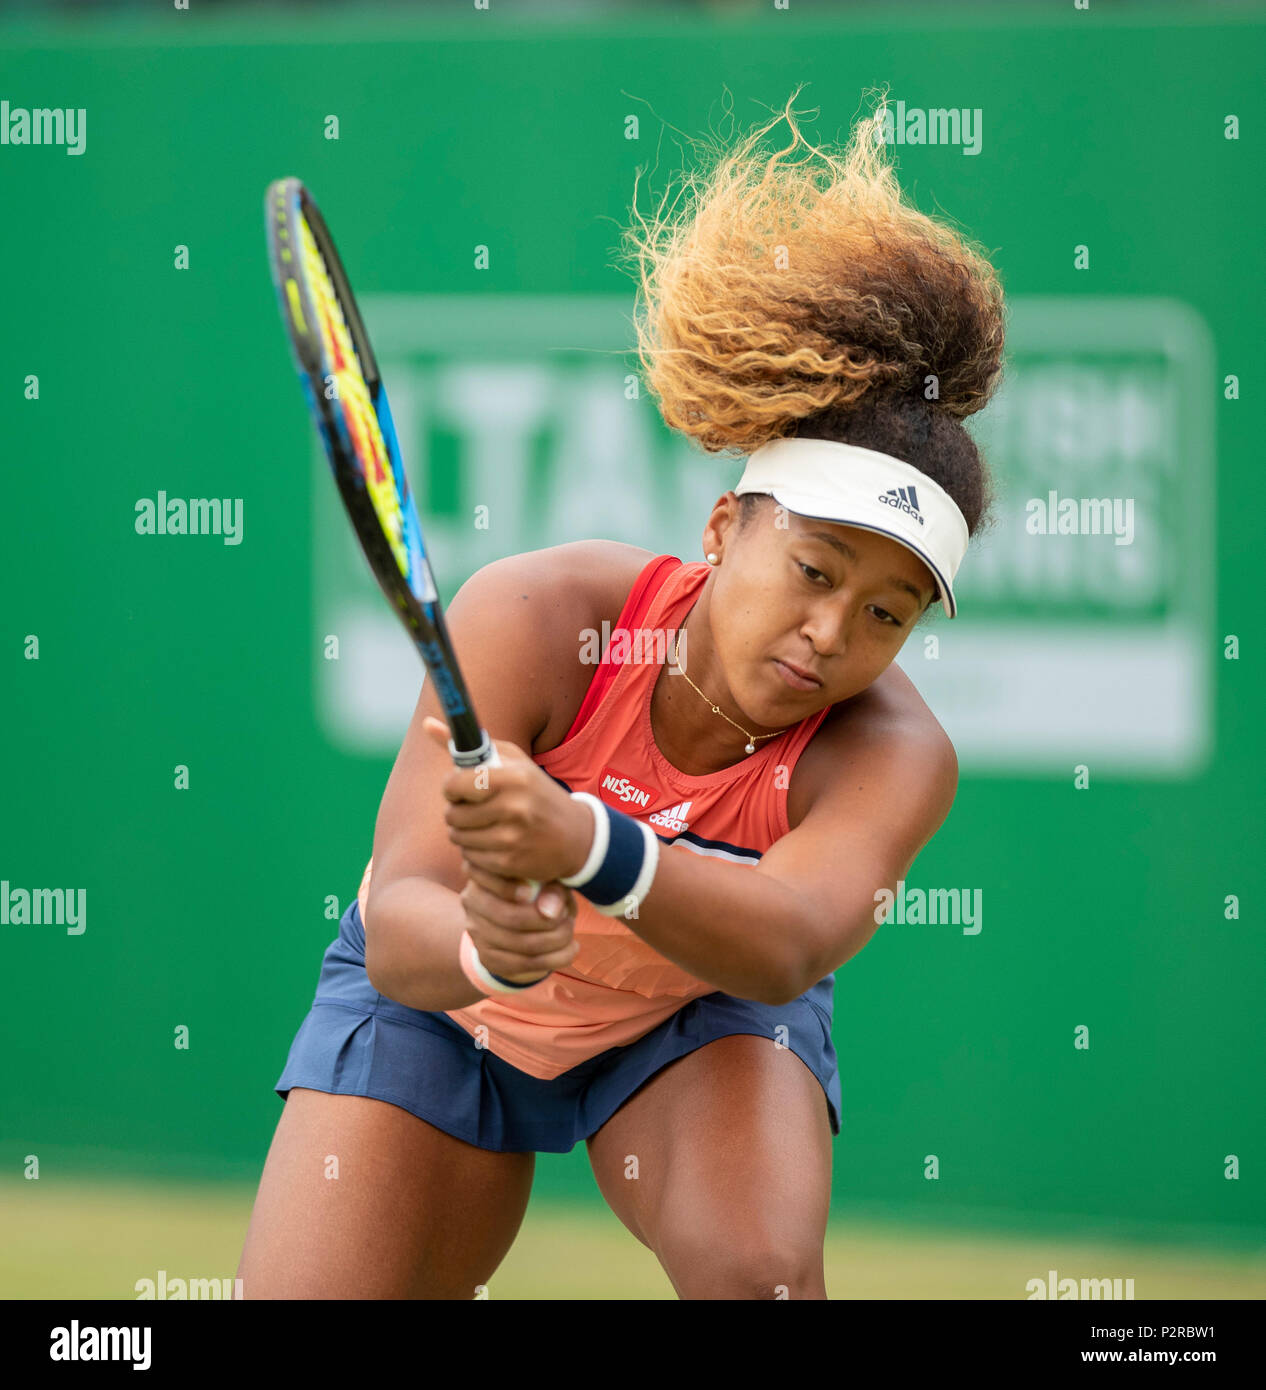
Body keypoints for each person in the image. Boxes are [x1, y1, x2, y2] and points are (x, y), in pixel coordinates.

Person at [237, 94, 1005, 1300]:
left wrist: (590, 844)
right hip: (456, 1012)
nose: (830, 633)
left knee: (759, 1278)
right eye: (813, 571)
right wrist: (490, 948)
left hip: (687, 1020)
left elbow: (790, 941)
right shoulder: (537, 621)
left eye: (886, 614)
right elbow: (401, 929)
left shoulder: (894, 752)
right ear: (720, 529)